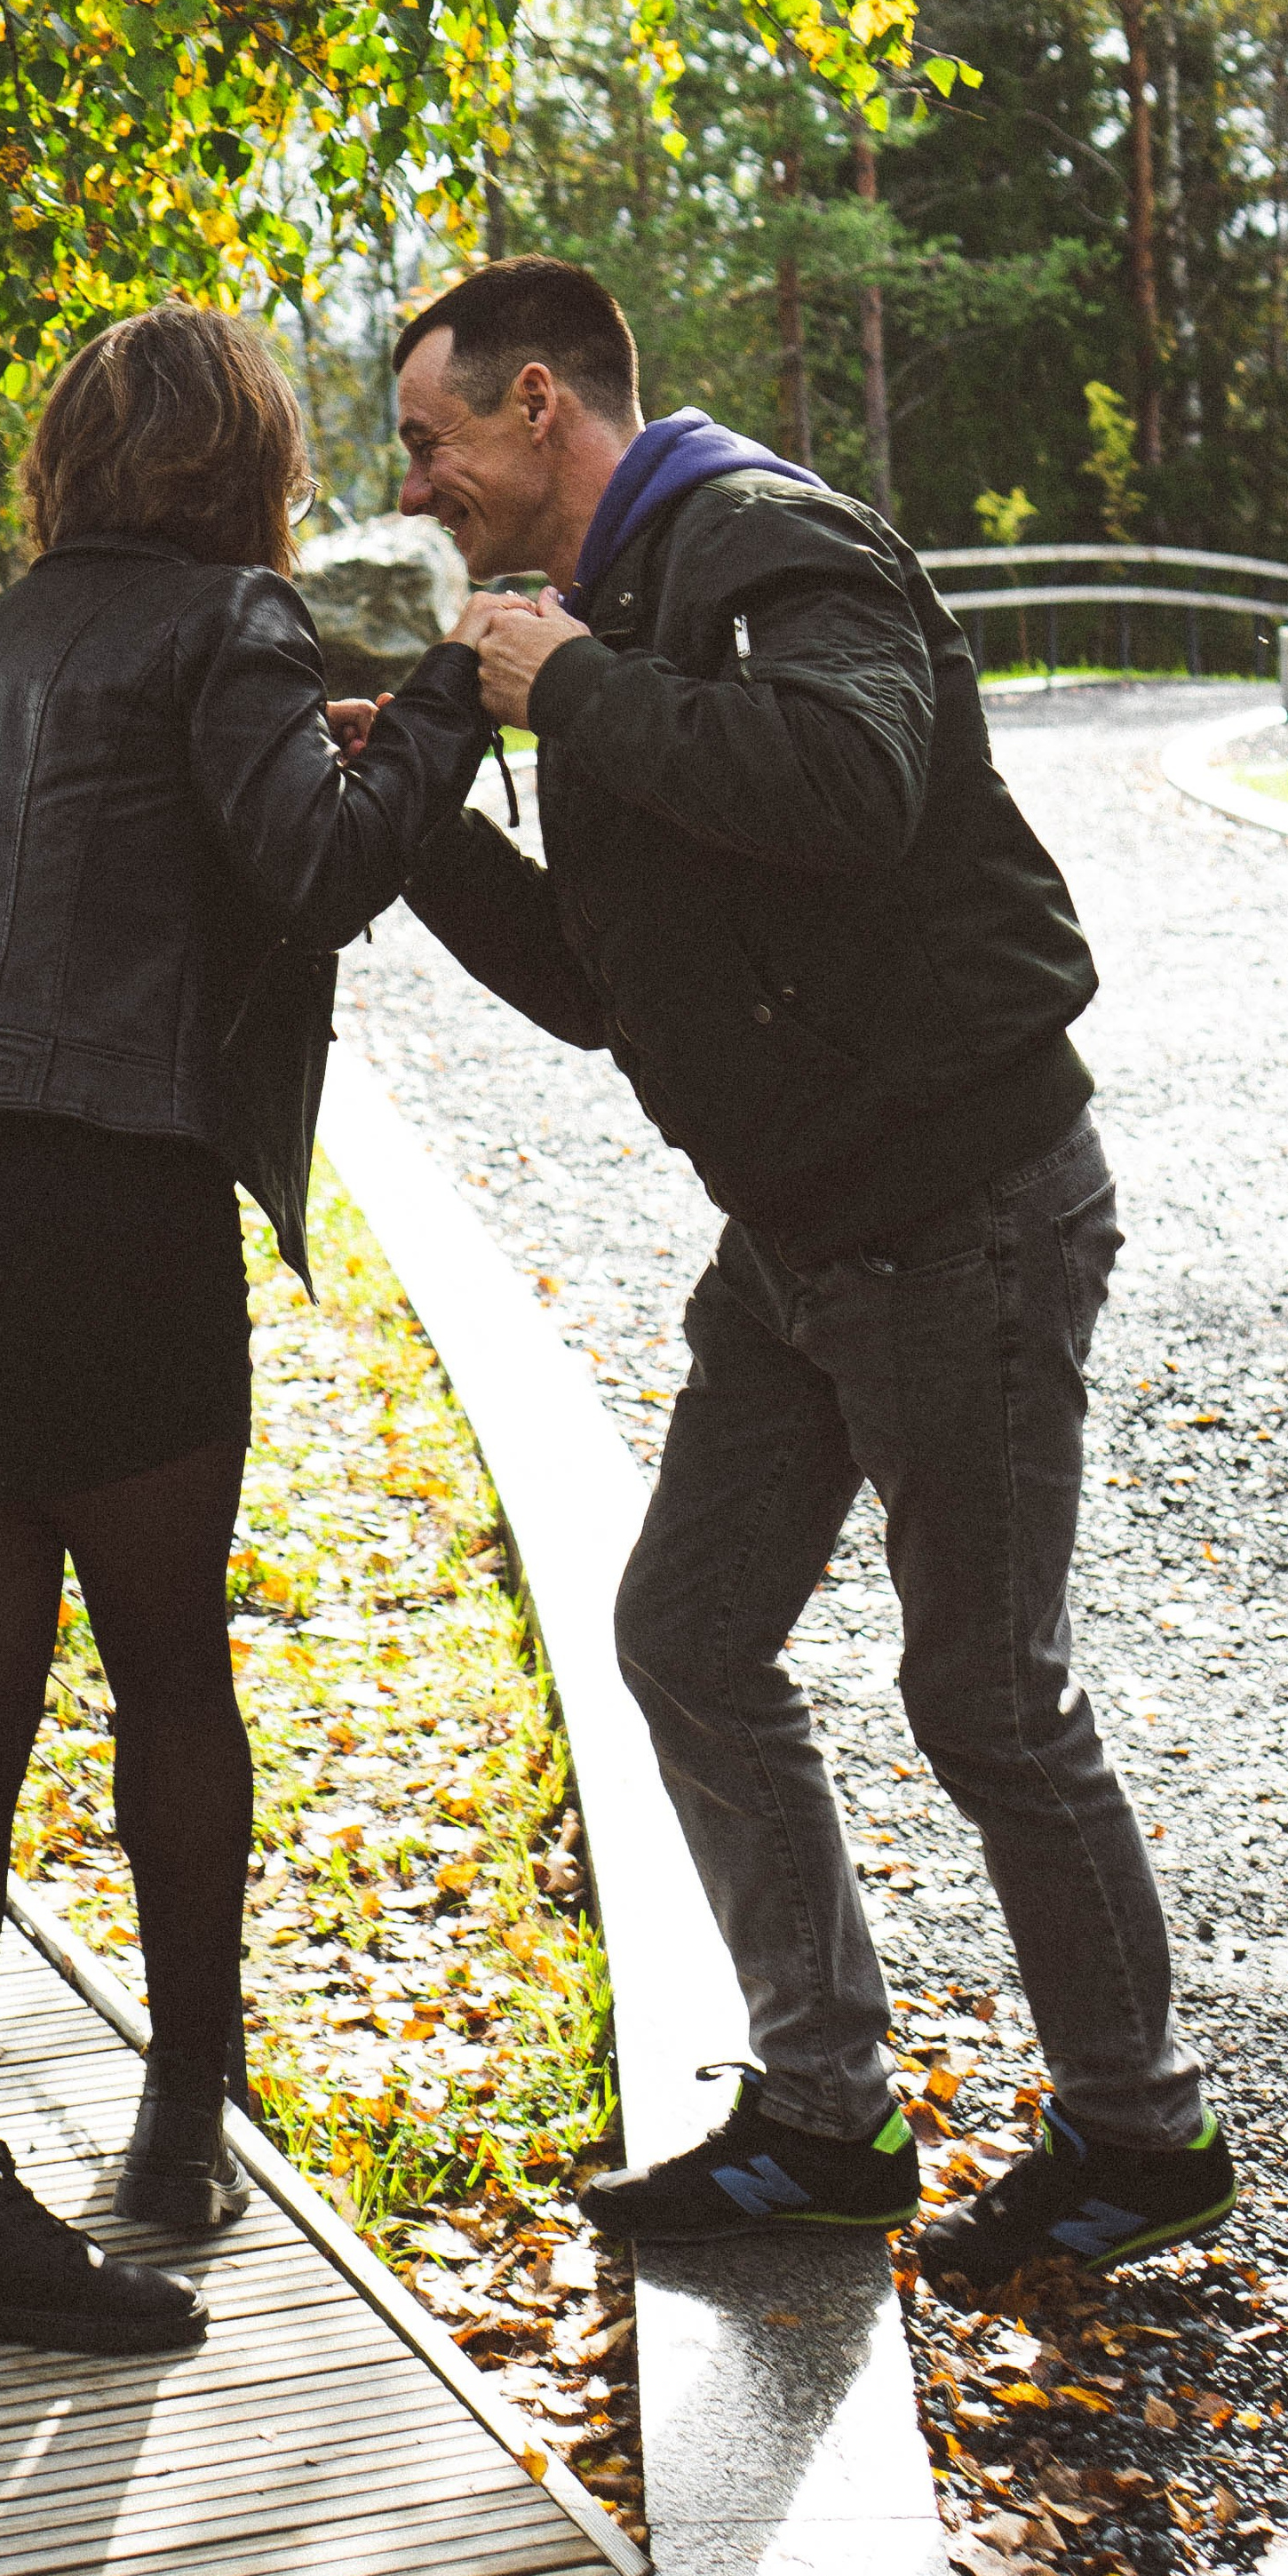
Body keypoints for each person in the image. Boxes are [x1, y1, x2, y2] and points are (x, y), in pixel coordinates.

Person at [391, 254, 1237, 2293]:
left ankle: (1141, 2133)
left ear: (532, 406)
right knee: (684, 1631)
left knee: (978, 1696)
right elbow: (612, 990)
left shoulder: (765, 543)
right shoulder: (609, 620)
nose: (415, 491)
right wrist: (419, 819)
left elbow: (853, 790)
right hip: (794, 1237)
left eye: (426, 446)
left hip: (958, 1210)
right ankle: (819, 2121)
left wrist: (566, 691)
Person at [0, 302, 488, 2359]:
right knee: (165, 1679)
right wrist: (457, 702)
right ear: (245, 468)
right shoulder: (235, 623)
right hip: (102, 1204)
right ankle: (178, 2133)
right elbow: (303, 872)